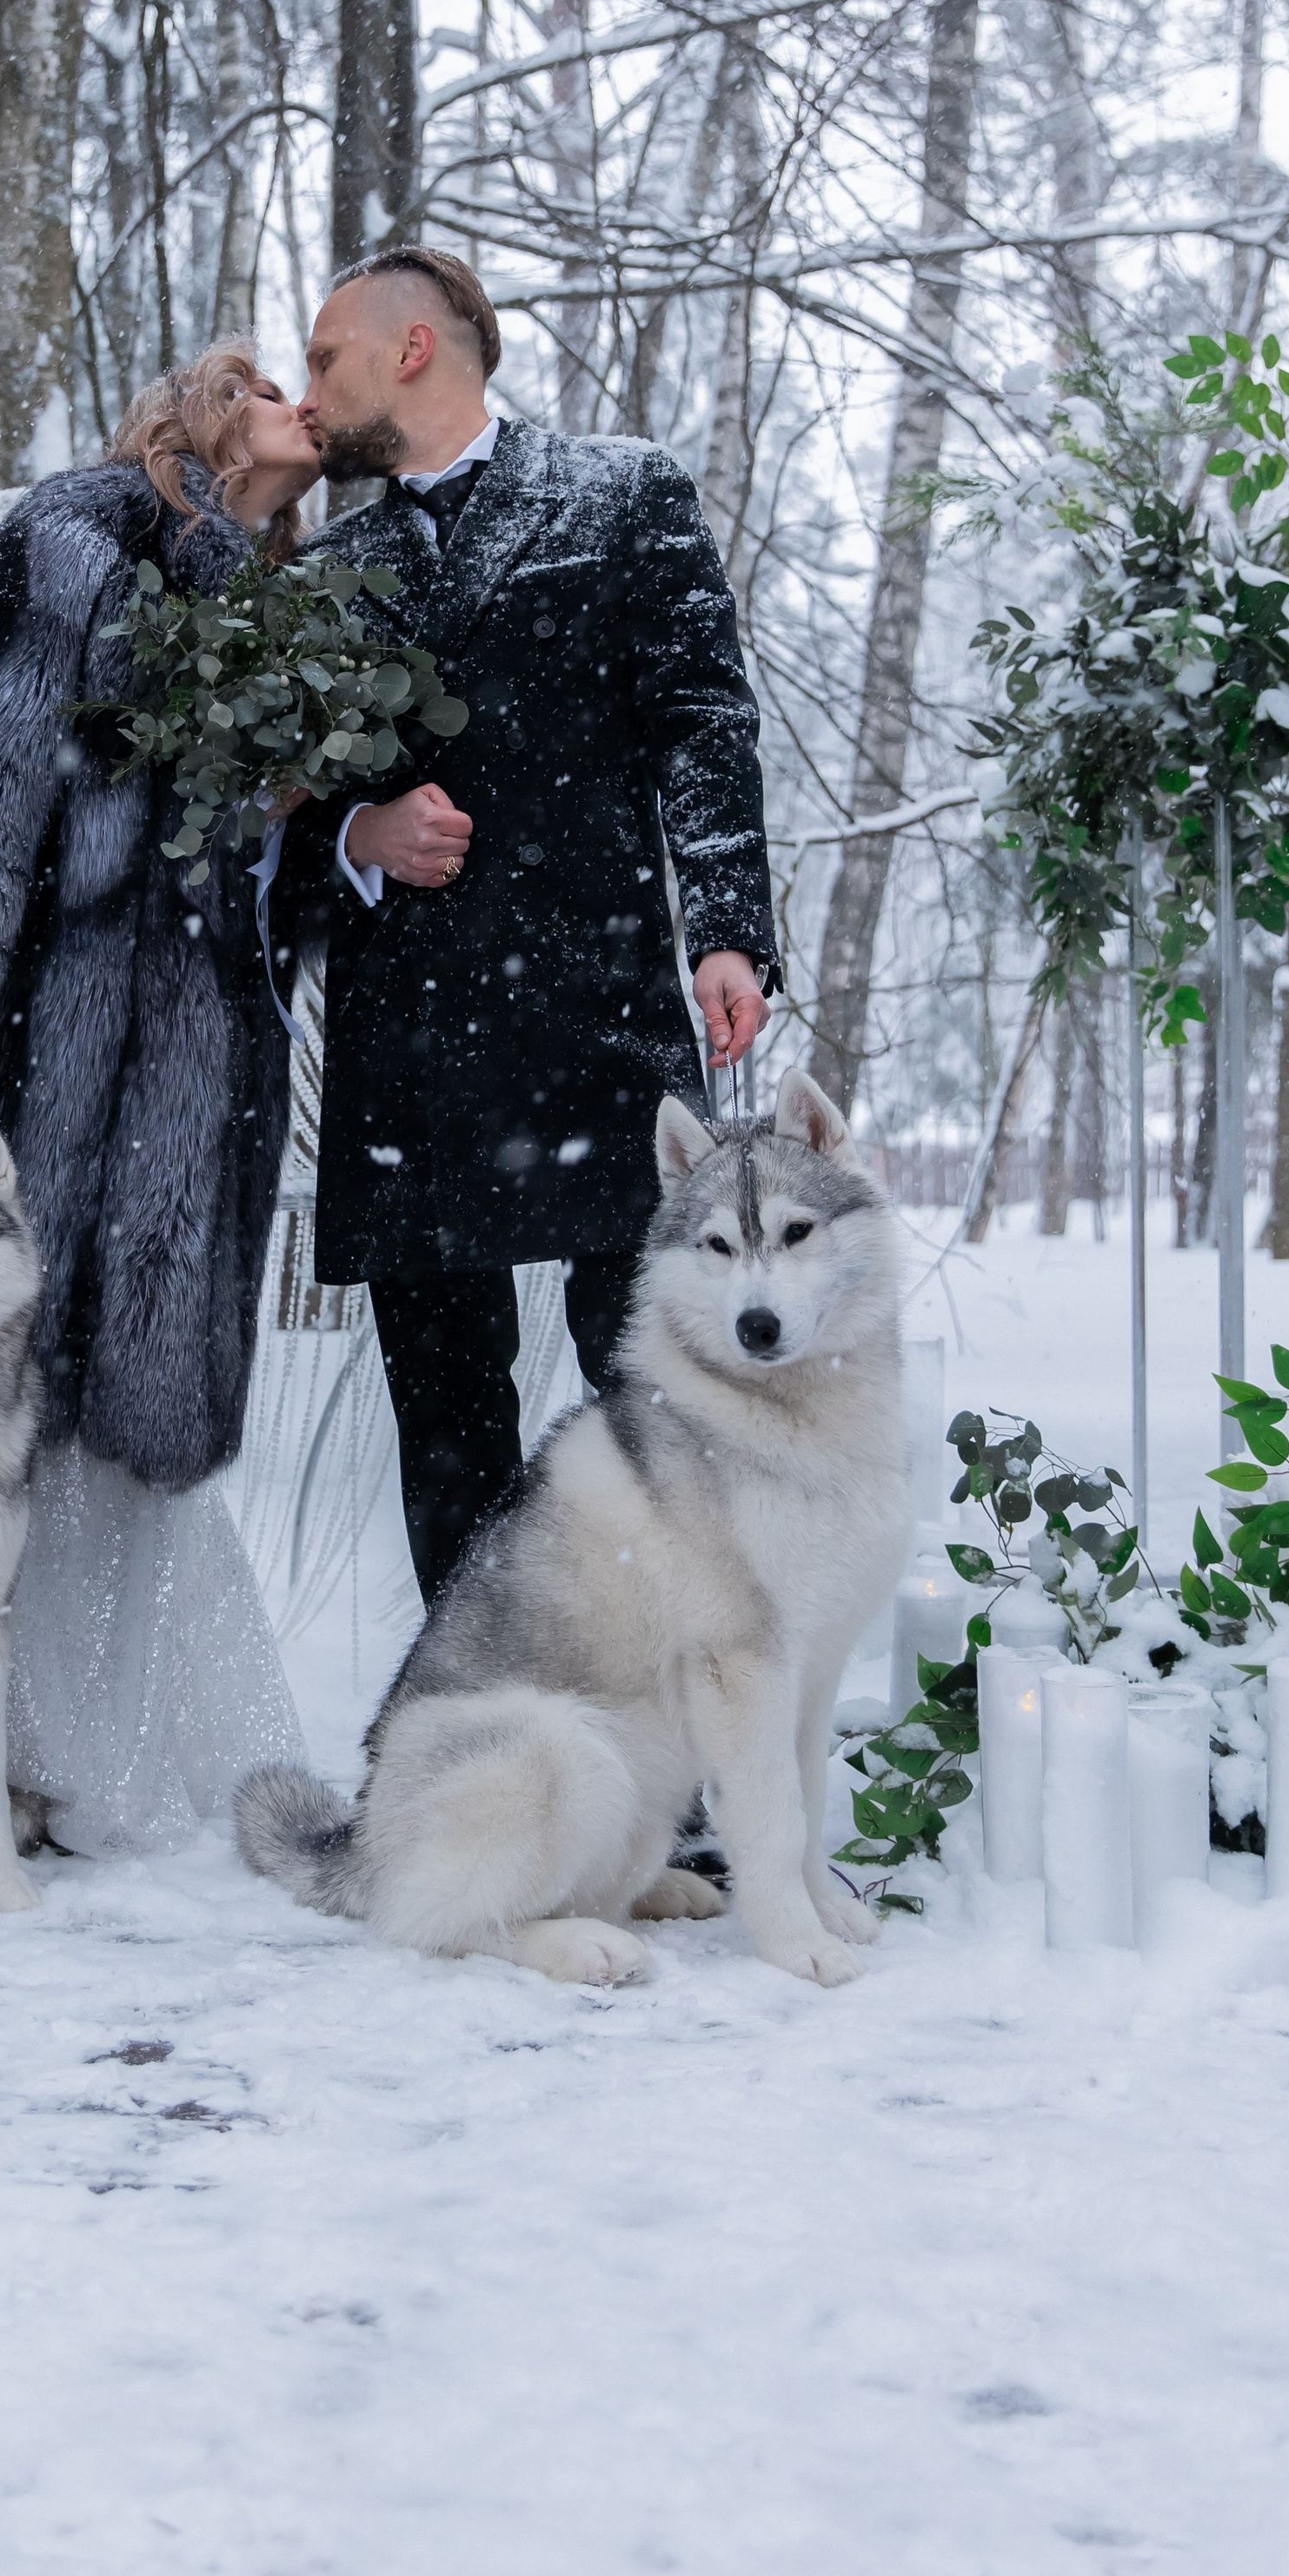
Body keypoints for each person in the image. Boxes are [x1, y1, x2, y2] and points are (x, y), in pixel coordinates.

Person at [0, 344, 322, 1856]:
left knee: (125, 1410)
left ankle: (83, 1759)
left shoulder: (287, 609)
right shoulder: (81, 535)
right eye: (272, 384)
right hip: (29, 1049)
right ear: (215, 420)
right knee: (3, 1405)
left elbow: (244, 882)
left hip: (192, 1070)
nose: (306, 404)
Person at [271, 244, 777, 1606]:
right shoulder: (332, 567)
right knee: (446, 1426)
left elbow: (702, 719)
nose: (310, 393)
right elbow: (267, 821)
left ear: (415, 349)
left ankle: (664, 1741)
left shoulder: (623, 497)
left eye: (326, 358)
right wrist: (355, 841)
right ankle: (482, 1735)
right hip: (412, 1051)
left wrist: (727, 928)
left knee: (655, 1402)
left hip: (595, 1014)